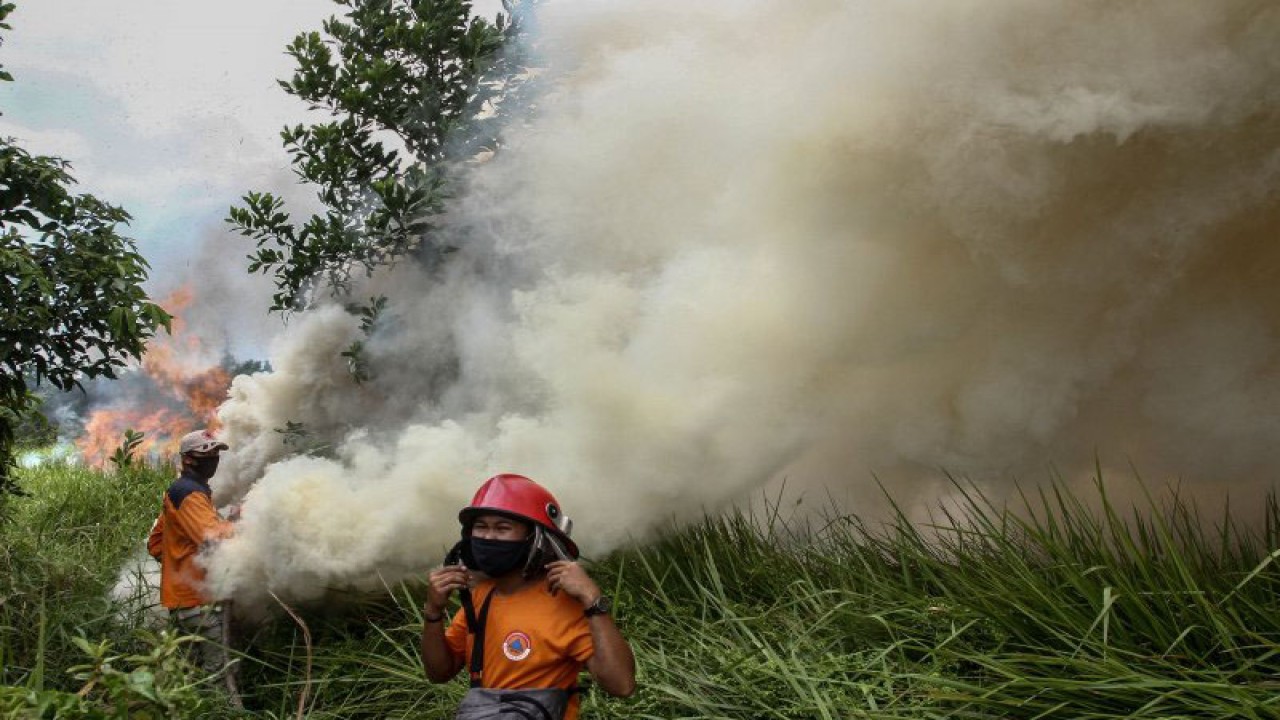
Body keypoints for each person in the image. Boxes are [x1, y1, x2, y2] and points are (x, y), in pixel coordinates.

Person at [422, 474, 636, 720]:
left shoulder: (563, 601)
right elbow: (439, 672)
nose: (489, 537)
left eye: (503, 528)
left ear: (534, 538)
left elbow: (622, 685)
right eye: (481, 527)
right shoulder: (482, 596)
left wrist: (592, 599)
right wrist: (433, 613)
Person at [146, 429, 240, 705]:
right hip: (199, 600)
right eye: (205, 454)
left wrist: (179, 562)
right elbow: (212, 539)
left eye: (215, 453)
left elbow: (155, 544)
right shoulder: (189, 494)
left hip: (186, 601)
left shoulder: (180, 492)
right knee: (219, 674)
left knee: (193, 673)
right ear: (188, 459)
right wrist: (236, 523)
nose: (213, 459)